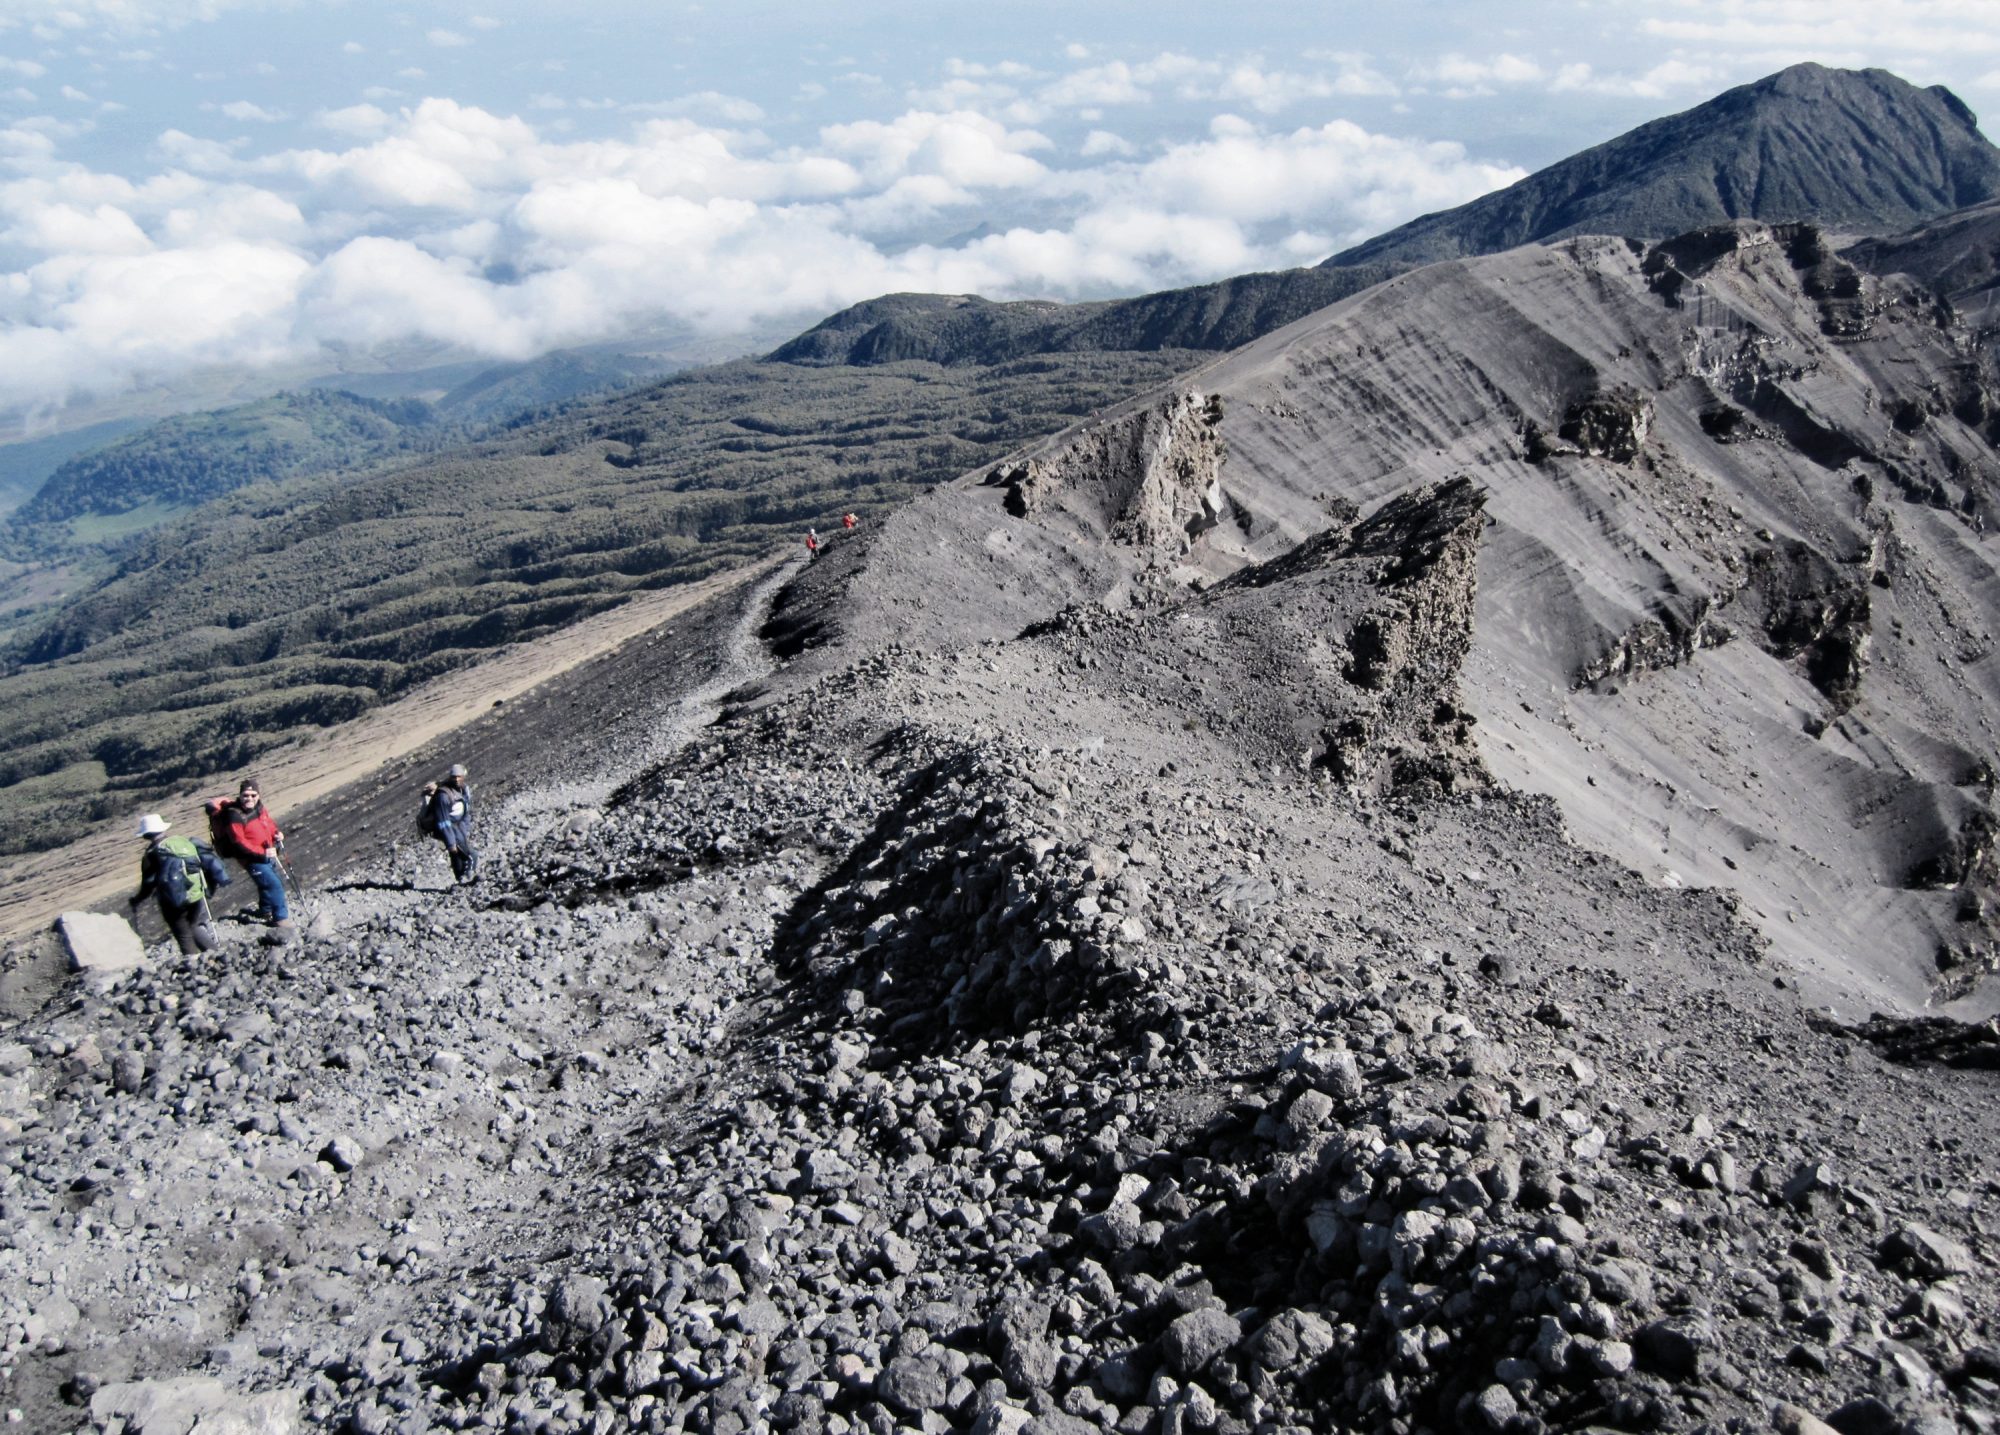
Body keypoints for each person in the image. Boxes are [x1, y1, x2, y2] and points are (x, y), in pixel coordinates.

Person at [128, 814, 226, 955]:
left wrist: (136, 900)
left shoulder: (151, 855)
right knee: (193, 925)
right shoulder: (181, 842)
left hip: (172, 901)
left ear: (146, 835)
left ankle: (194, 963)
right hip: (195, 894)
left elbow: (148, 885)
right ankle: (216, 954)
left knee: (182, 933)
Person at [206, 778, 290, 929]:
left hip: (268, 852)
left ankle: (265, 910)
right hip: (252, 859)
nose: (249, 798)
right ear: (240, 795)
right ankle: (280, 919)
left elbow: (268, 824)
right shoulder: (234, 816)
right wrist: (262, 854)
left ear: (258, 795)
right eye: (246, 795)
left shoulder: (260, 808)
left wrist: (276, 833)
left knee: (268, 883)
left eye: (253, 795)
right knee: (274, 884)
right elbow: (239, 843)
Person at [421, 763, 478, 882]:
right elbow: (443, 821)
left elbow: (466, 811)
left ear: (463, 776)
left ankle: (462, 879)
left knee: (460, 855)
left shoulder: (463, 790)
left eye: (459, 776)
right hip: (449, 829)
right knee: (471, 856)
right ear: (450, 778)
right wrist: (450, 842)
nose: (457, 779)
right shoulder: (443, 796)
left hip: (458, 827)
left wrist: (465, 828)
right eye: (454, 777)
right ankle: (466, 878)